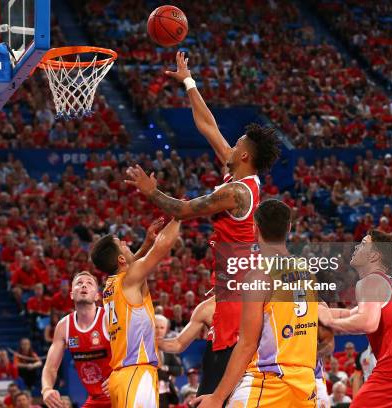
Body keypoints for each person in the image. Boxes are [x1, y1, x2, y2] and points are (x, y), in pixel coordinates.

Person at [128, 53, 281, 397]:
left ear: (244, 156)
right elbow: (208, 126)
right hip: (232, 286)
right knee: (217, 385)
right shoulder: (238, 176)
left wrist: (153, 192)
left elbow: (182, 210)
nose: (233, 142)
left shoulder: (237, 192)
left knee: (214, 387)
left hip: (236, 293)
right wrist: (188, 82)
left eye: (238, 142)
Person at [195, 199, 318, 407]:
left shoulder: (259, 276)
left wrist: (217, 397)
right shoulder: (309, 274)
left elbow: (247, 344)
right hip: (305, 384)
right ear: (289, 227)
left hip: (269, 383)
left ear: (255, 228)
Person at [319, 230, 392, 407]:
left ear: (374, 255)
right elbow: (353, 313)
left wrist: (330, 322)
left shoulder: (370, 281)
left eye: (363, 244)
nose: (356, 247)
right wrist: (320, 311)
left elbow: (367, 322)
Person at [91, 218, 181, 407]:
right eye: (121, 244)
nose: (126, 243)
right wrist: (180, 215)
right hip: (135, 372)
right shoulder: (129, 280)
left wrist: (147, 242)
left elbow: (132, 265)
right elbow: (163, 246)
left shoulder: (111, 285)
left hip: (126, 375)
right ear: (121, 259)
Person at [42, 271, 112, 408]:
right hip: (96, 398)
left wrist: (120, 377)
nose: (84, 286)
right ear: (72, 294)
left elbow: (134, 353)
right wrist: (46, 389)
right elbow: (50, 367)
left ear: (97, 295)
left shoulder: (109, 317)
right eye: (79, 283)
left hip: (122, 392)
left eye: (89, 283)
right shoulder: (64, 326)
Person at [156, 314, 182, 407]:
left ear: (166, 330)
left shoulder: (168, 349)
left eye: (162, 328)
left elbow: (180, 370)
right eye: (156, 327)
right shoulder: (143, 347)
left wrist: (166, 368)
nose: (159, 331)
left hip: (165, 396)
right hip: (147, 393)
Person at [316, 323, 335, 408]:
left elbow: (329, 344)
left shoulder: (316, 312)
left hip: (314, 376)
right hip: (279, 375)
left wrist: (307, 357)